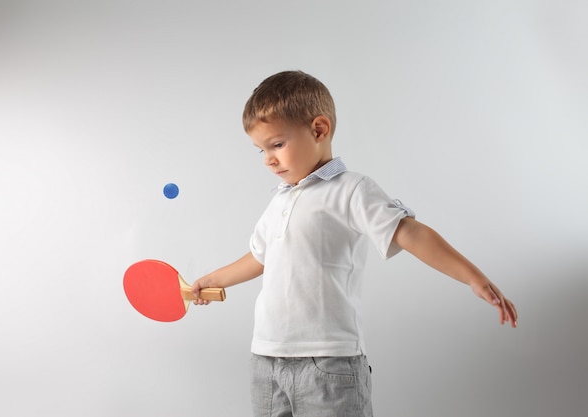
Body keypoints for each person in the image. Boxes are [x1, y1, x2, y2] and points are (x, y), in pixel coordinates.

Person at [191, 70, 518, 417]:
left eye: (277, 144)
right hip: (266, 360)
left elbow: (410, 233)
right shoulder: (279, 201)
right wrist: (213, 280)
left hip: (328, 364)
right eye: (261, 149)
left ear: (319, 129)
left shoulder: (351, 189)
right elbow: (260, 258)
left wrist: (472, 276)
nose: (268, 159)